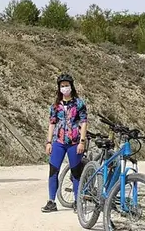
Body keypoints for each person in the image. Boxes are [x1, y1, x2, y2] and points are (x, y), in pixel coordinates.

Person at [41, 73, 88, 213]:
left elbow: (84, 123)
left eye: (67, 85)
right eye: (62, 86)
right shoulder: (55, 106)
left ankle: (77, 201)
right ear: (59, 88)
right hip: (59, 142)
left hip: (74, 142)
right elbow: (51, 123)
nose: (65, 88)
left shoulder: (79, 103)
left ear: (71, 86)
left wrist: (82, 141)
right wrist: (49, 142)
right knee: (53, 171)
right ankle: (51, 201)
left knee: (76, 173)